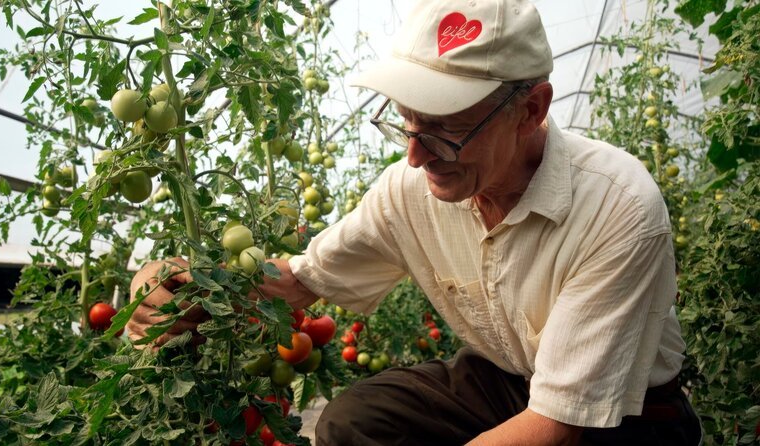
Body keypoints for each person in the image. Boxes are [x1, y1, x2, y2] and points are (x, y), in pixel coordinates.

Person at [128, 0, 703, 444]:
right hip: (508, 380)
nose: (415, 155)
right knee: (356, 423)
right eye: (406, 122)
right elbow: (301, 280)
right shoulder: (409, 192)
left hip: (626, 417)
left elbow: (558, 427)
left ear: (531, 110)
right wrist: (186, 284)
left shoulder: (617, 206)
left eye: (446, 130)